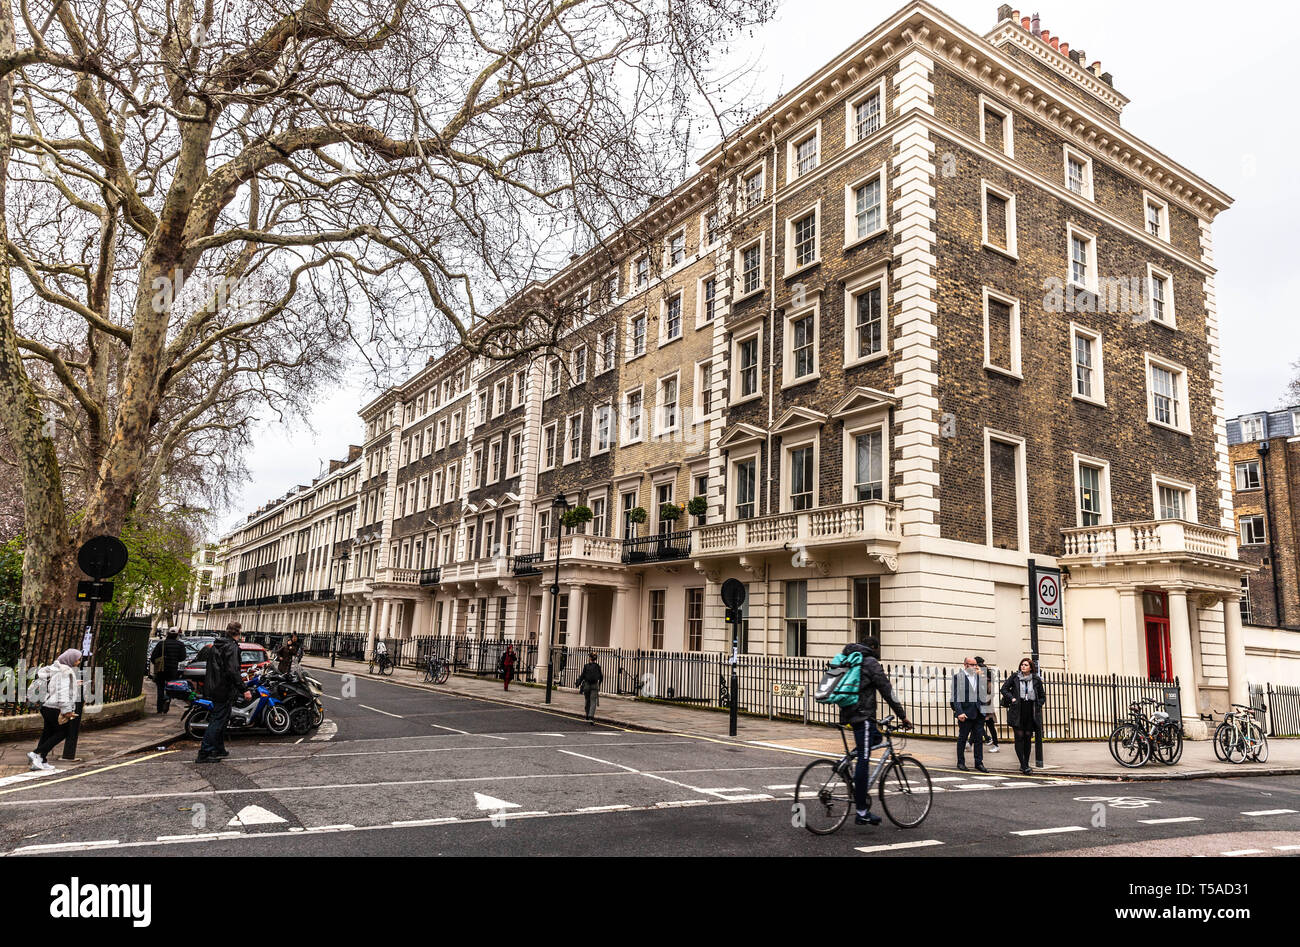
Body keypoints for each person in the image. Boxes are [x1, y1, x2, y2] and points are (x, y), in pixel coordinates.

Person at [839, 635, 910, 826]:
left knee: (875, 739)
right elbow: (887, 690)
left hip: (849, 712)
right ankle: (862, 811)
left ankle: (845, 761)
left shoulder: (850, 657)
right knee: (864, 758)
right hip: (863, 716)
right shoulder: (870, 662)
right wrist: (902, 716)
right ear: (873, 647)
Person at [196, 623, 251, 764]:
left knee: (223, 719)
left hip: (214, 686)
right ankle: (205, 752)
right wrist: (244, 689)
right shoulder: (231, 647)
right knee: (218, 720)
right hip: (223, 688)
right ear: (238, 632)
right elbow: (233, 670)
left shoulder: (217, 645)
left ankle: (219, 748)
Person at [28, 649, 82, 771]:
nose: (78, 662)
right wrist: (66, 711)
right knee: (63, 732)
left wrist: (74, 683)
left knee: (47, 732)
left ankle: (41, 760)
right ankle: (36, 753)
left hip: (46, 706)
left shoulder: (55, 668)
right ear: (70, 659)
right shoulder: (65, 671)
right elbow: (62, 692)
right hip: (55, 707)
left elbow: (55, 684)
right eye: (77, 659)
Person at [1000, 657, 1047, 775]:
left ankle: (1025, 762)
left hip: (1030, 711)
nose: (1023, 666)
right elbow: (1004, 689)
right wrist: (1012, 698)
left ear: (1031, 667)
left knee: (1027, 737)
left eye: (1026, 665)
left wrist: (1038, 704)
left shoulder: (1036, 679)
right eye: (1022, 664)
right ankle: (1023, 764)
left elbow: (1042, 696)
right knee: (1019, 737)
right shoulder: (1015, 677)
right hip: (1017, 710)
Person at [952, 657, 988, 772]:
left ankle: (979, 763)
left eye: (975, 665)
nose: (975, 667)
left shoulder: (979, 677)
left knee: (978, 739)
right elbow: (955, 697)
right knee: (963, 738)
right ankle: (961, 762)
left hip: (978, 713)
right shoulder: (958, 677)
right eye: (972, 665)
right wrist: (959, 712)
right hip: (965, 713)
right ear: (965, 665)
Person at [150, 629, 187, 713]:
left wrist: (158, 664)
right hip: (172, 670)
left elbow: (153, 658)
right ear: (177, 635)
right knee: (170, 688)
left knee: (160, 688)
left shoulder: (161, 644)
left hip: (161, 670)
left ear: (167, 634)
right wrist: (175, 660)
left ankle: (159, 709)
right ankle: (167, 698)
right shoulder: (180, 644)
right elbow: (183, 657)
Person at [974, 656, 999, 753]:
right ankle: (970, 743)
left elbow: (990, 696)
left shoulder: (988, 683)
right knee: (977, 727)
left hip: (987, 709)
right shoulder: (978, 681)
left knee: (991, 727)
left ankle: (996, 744)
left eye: (977, 669)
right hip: (980, 708)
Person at [577, 652, 603, 724]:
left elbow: (582, 675)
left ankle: (587, 715)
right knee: (593, 701)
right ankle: (591, 716)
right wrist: (599, 684)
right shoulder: (598, 666)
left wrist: (578, 683)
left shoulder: (586, 666)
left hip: (587, 685)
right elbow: (601, 676)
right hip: (595, 685)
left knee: (587, 700)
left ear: (590, 658)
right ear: (595, 659)